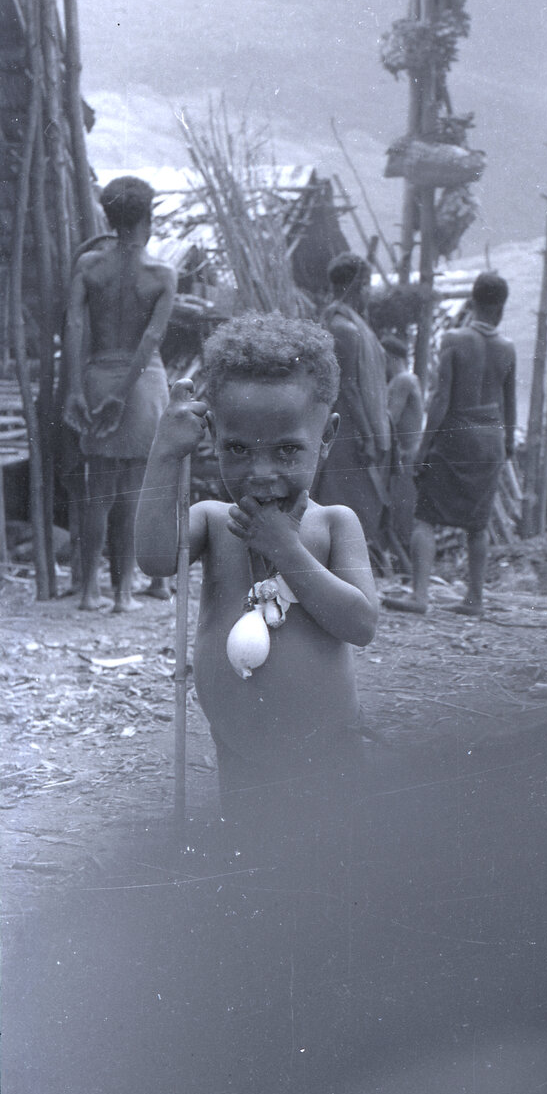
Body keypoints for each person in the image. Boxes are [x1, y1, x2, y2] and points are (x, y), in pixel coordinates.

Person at [135, 312, 378, 811]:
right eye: (238, 449)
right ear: (214, 439)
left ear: (326, 437)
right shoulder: (211, 521)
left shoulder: (334, 524)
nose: (261, 474)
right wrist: (163, 454)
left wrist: (286, 550)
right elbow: (156, 557)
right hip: (239, 751)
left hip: (327, 750)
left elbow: (360, 622)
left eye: (288, 450)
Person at [63, 177, 176, 612]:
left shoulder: (90, 265)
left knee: (98, 489)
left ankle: (91, 591)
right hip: (143, 385)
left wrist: (77, 389)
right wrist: (125, 393)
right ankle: (124, 593)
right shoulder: (162, 273)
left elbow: (73, 327)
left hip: (96, 378)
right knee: (131, 492)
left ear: (108, 217)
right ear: (149, 216)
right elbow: (151, 339)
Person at [383, 271, 516, 617]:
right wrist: (508, 447)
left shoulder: (455, 340)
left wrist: (425, 448)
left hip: (458, 436)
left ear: (472, 303)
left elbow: (441, 400)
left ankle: (420, 595)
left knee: (425, 516)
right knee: (478, 524)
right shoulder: (508, 349)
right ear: (501, 310)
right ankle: (474, 598)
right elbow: (511, 409)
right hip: (491, 441)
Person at [316, 252, 393, 557]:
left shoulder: (346, 324)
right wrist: (368, 435)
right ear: (358, 284)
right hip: (347, 429)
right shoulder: (343, 328)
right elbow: (348, 387)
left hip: (347, 427)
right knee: (344, 502)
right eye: (366, 284)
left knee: (348, 503)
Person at [382, 333, 424, 553]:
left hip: (407, 454)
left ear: (390, 358)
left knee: (403, 510)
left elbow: (391, 417)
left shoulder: (403, 380)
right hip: (406, 453)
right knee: (402, 509)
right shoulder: (406, 379)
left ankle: (407, 565)